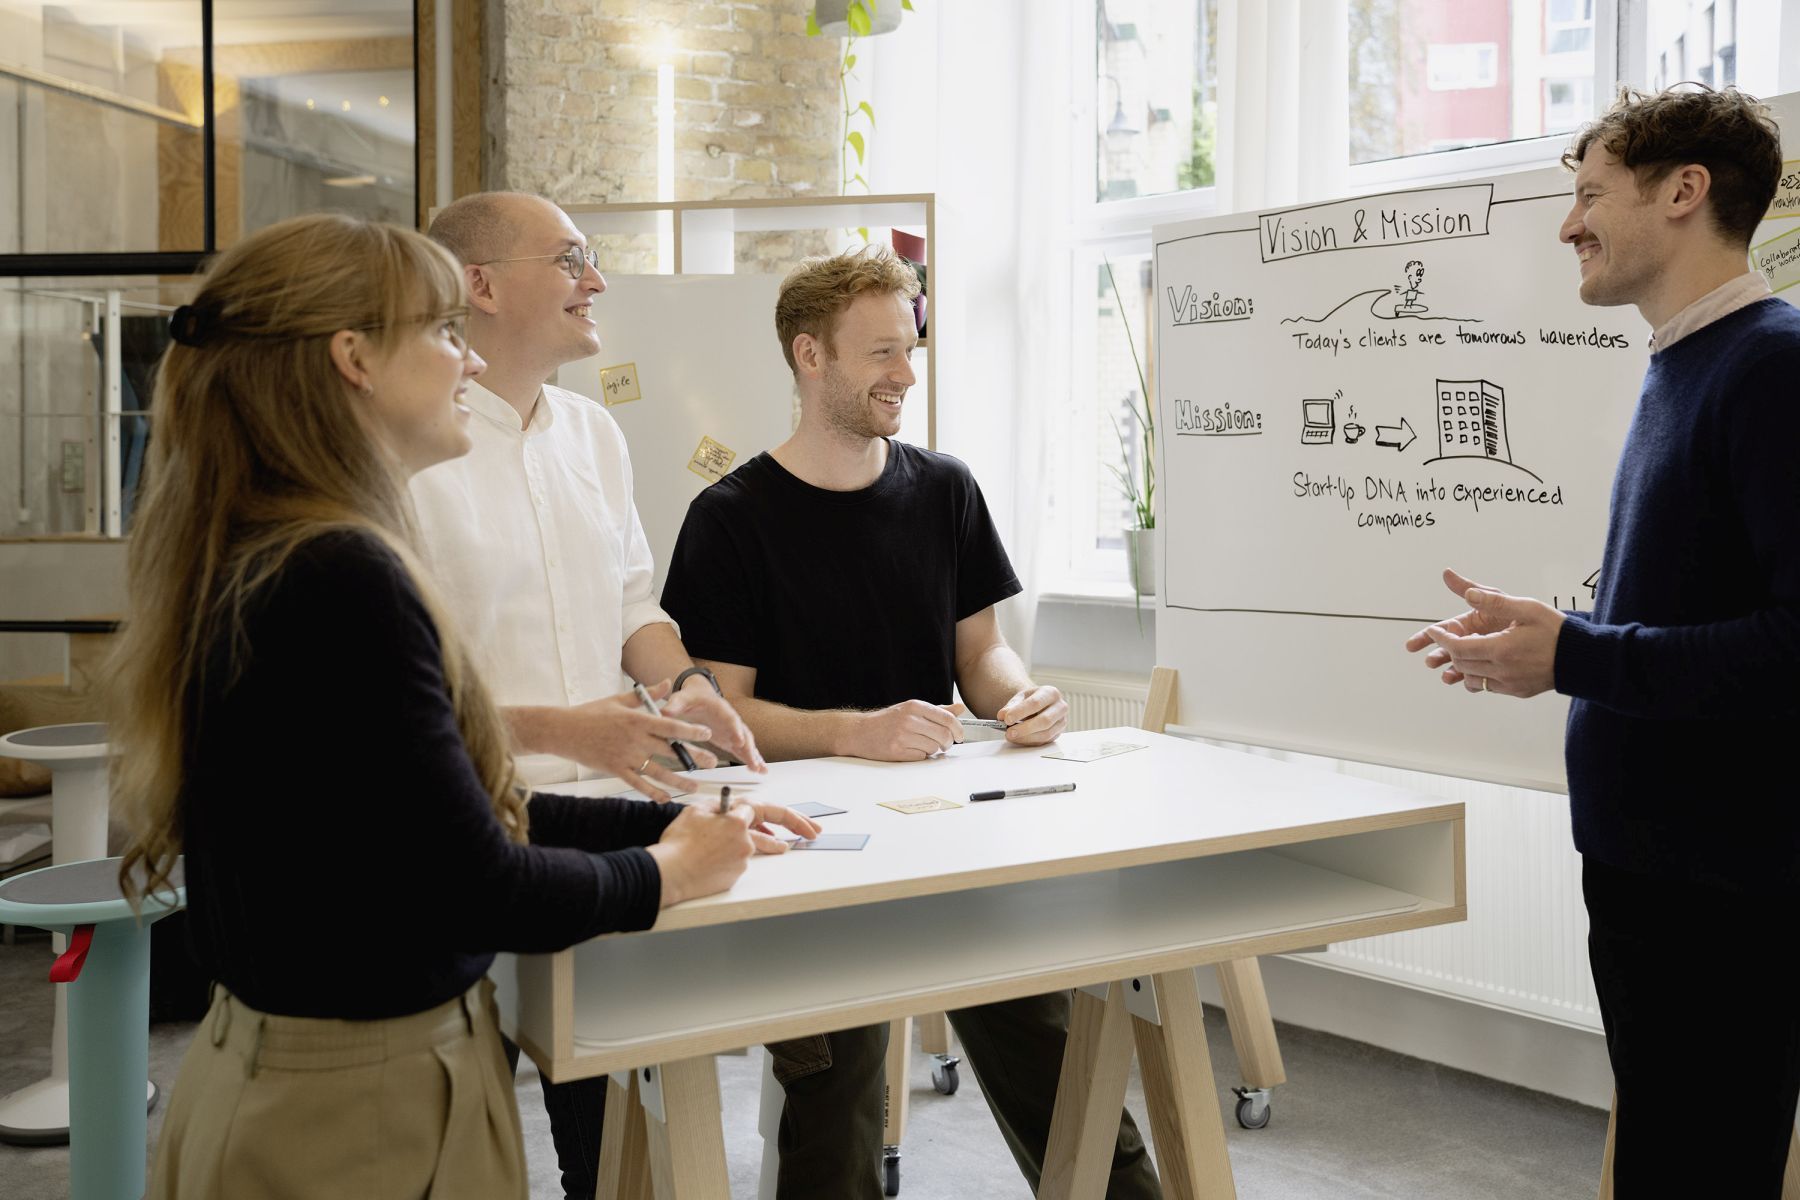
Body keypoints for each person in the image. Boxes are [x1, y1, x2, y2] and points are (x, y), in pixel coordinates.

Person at [108, 213, 817, 1200]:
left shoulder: (286, 549)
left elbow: (432, 810)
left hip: (325, 1071)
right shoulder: (340, 571)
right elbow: (477, 881)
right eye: (443, 334)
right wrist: (668, 871)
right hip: (352, 1104)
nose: (468, 363)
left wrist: (668, 823)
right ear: (354, 358)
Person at [661, 247, 1161, 1199]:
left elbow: (982, 653)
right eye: (882, 352)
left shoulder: (945, 489)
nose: (907, 374)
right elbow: (719, 715)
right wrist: (853, 731)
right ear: (811, 355)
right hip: (814, 852)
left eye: (910, 348)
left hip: (954, 835)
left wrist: (1019, 698)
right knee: (834, 1106)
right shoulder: (728, 518)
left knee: (1056, 1068)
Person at [1405, 86, 1800, 1197]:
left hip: (1723, 887)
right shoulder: (1686, 363)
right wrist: (1554, 642)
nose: (1567, 225)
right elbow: (1695, 618)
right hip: (1652, 869)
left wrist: (1576, 657)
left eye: (1589, 195)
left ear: (1685, 192)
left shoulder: (1773, 367)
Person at [413, 190, 772, 1199]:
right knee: (456, 1143)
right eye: (571, 259)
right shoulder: (413, 451)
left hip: (601, 822)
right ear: (481, 286)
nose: (597, 280)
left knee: (613, 1144)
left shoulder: (595, 434)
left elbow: (631, 604)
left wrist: (688, 687)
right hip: (465, 831)